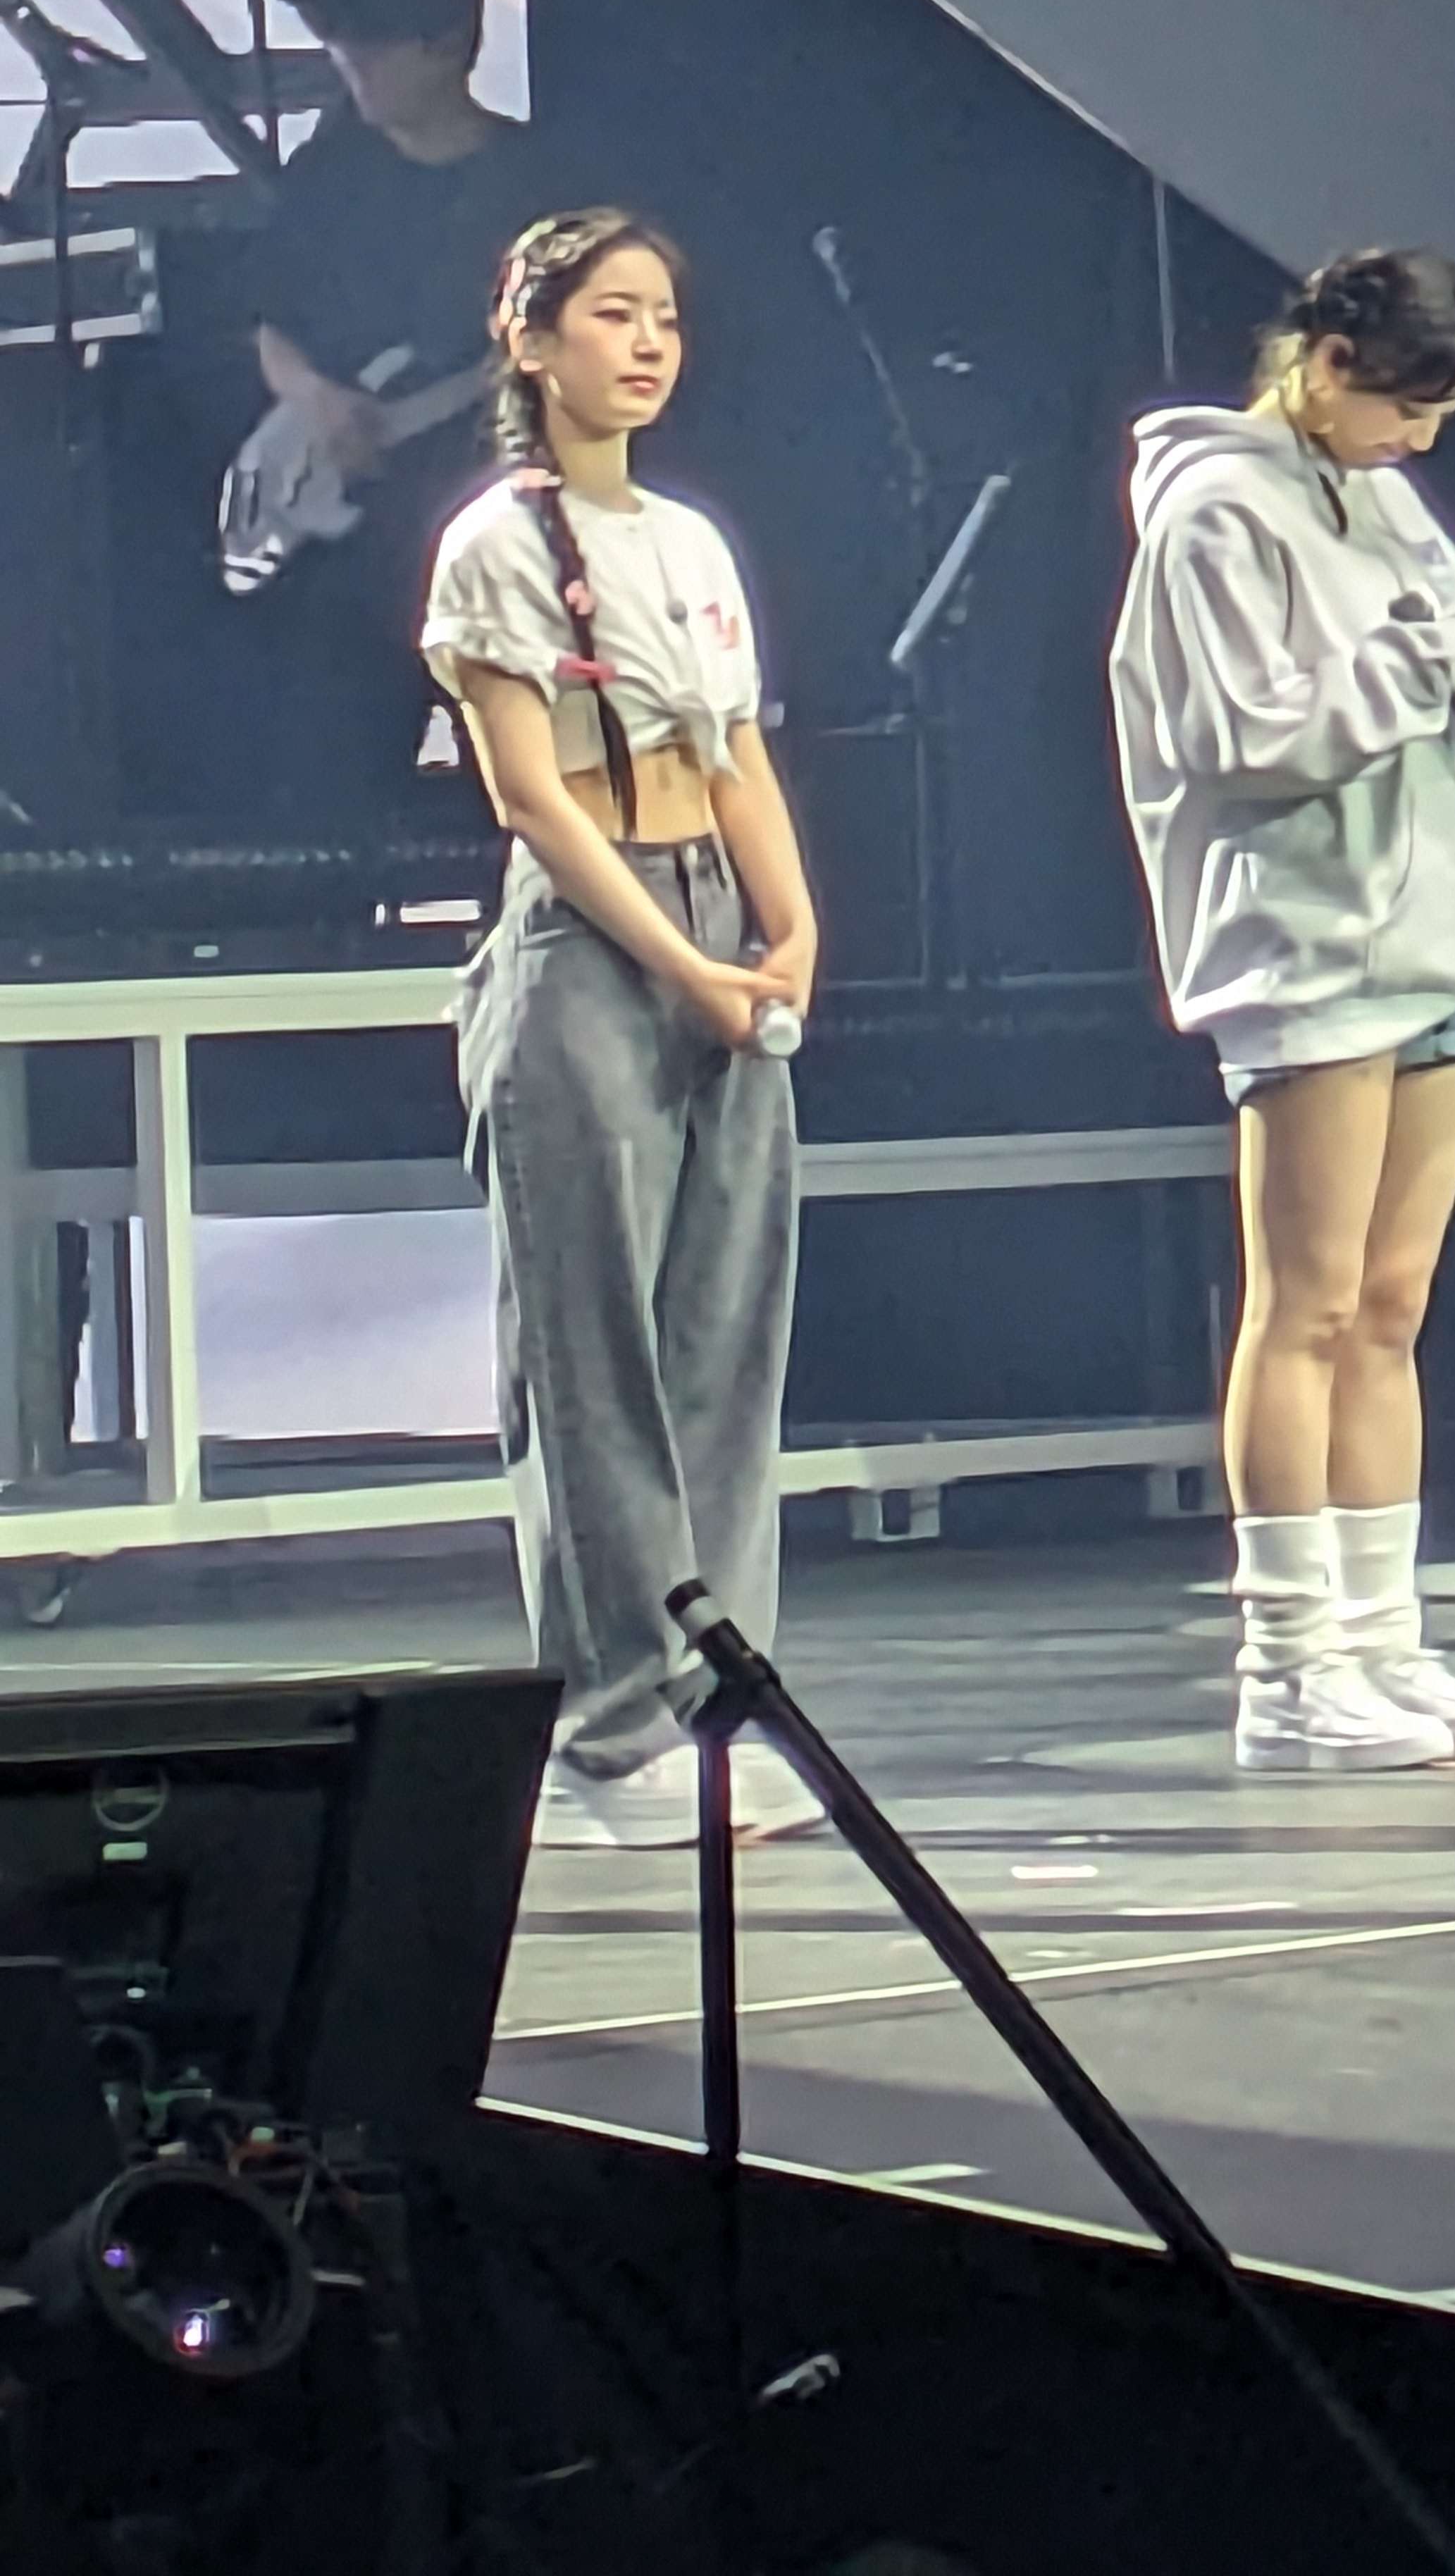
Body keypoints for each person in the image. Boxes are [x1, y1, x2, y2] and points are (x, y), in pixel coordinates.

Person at [1110, 249, 1455, 1773]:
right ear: (1326, 356)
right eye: (1404, 403)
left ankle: (1382, 1638)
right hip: (1304, 941)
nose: (1416, 437)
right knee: (1301, 1301)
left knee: (1390, 1303)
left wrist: (1450, 660)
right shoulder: (1214, 508)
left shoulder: (1382, 491)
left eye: (1439, 414)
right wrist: (1421, 658)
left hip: (1431, 930)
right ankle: (1289, 1662)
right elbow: (1248, 735)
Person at [422, 209, 823, 1848]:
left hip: (716, 920)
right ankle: (611, 1727)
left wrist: (790, 927)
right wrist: (678, 959)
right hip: (591, 936)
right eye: (610, 314)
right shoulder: (496, 540)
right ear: (531, 339)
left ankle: (720, 1700)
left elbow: (736, 756)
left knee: (722, 1335)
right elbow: (534, 796)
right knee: (593, 1357)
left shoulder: (691, 540)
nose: (646, 342)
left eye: (662, 314)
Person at [233, 0, 550, 815]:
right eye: (345, 44)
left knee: (518, 785)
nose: (352, 65)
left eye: (374, 46)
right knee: (328, 783)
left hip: (487, 520)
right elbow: (270, 320)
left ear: (446, 45)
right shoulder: (329, 177)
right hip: (350, 542)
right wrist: (317, 401)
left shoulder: (537, 186)